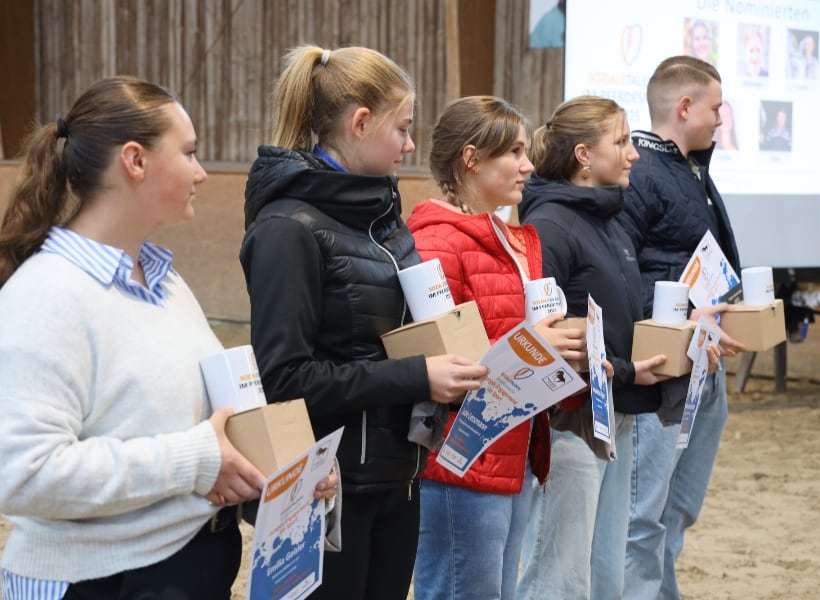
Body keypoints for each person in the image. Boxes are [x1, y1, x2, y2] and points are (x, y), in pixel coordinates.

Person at [0, 75, 337, 599]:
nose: (201, 172)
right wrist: (196, 460)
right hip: (98, 584)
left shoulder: (165, 283)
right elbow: (23, 474)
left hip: (182, 570)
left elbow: (199, 435)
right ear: (135, 161)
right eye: (189, 152)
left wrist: (283, 472)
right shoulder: (47, 294)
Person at [239, 46, 488, 600]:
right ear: (360, 123)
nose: (409, 145)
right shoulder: (288, 229)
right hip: (330, 489)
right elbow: (285, 378)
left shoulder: (385, 222)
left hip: (397, 476)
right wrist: (419, 376)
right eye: (402, 128)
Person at [407, 95, 587, 600]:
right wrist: (534, 345)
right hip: (460, 458)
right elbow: (442, 359)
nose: (528, 165)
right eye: (514, 152)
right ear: (471, 158)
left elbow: (514, 336)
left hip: (511, 449)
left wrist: (567, 358)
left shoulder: (511, 239)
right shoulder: (438, 242)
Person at [516, 96, 681, 600]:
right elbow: (544, 336)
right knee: (559, 575)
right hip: (571, 423)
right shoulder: (550, 225)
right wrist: (625, 371)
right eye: (622, 141)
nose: (634, 153)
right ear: (584, 155)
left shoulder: (610, 222)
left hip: (614, 415)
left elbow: (608, 324)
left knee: (605, 575)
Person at [615, 55, 746, 600]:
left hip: (702, 362)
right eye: (716, 107)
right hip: (665, 368)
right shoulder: (641, 173)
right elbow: (619, 273)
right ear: (685, 106)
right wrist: (681, 317)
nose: (721, 118)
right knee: (644, 516)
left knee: (678, 509)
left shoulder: (690, 170)